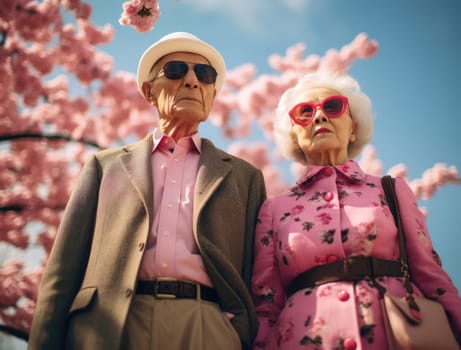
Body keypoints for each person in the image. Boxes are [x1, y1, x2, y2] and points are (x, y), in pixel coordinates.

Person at [28, 32, 266, 350]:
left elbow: (256, 277)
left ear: (212, 95)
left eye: (204, 75)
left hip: (209, 327)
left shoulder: (245, 177)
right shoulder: (104, 166)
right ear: (148, 91)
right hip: (109, 327)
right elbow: (62, 272)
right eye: (177, 70)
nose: (193, 81)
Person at [251, 71, 461, 349]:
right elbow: (266, 304)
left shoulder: (391, 189)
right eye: (305, 112)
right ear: (295, 136)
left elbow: (430, 273)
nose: (319, 117)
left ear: (352, 127)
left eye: (333, 107)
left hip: (394, 335)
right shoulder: (273, 209)